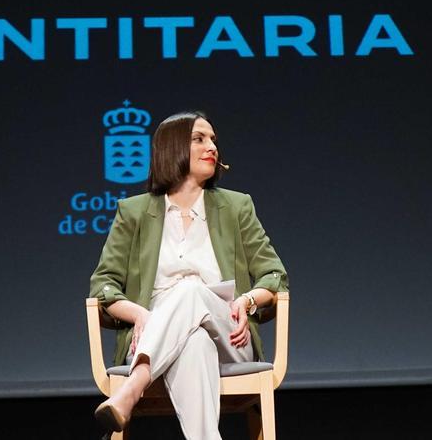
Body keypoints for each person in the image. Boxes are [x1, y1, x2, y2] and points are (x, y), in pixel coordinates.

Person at [89, 111, 289, 439]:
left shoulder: (237, 207)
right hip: (154, 333)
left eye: (213, 139)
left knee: (191, 289)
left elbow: (275, 275)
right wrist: (139, 313)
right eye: (199, 139)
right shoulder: (134, 212)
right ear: (172, 149)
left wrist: (248, 300)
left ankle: (133, 386)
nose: (212, 146)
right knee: (194, 343)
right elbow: (103, 284)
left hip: (227, 333)